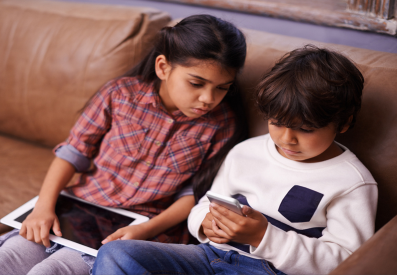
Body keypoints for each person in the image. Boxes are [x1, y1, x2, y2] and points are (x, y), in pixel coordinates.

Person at [92, 45, 378, 275]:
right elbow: (206, 203)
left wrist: (262, 237)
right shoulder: (246, 152)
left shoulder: (352, 182)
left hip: (274, 271)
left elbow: (347, 263)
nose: (287, 138)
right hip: (212, 256)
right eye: (277, 123)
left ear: (342, 123)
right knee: (117, 254)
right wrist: (206, 224)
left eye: (305, 129)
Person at [0, 14, 247, 275]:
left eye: (222, 88)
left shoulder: (222, 125)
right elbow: (72, 152)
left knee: (48, 272)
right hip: (80, 209)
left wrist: (145, 230)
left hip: (141, 230)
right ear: (163, 67)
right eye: (196, 83)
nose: (209, 99)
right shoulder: (120, 94)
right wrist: (43, 208)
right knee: (8, 258)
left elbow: (193, 195)